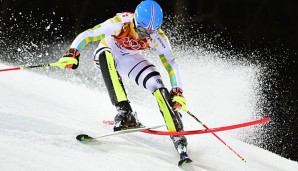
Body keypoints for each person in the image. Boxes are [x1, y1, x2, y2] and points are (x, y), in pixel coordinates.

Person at [61, 0, 192, 163]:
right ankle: (125, 112)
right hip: (109, 52)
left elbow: (171, 64)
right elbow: (89, 34)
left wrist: (177, 92)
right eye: (143, 30)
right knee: (105, 55)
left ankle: (178, 137)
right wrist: (72, 53)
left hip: (131, 59)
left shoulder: (158, 37)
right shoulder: (121, 23)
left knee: (158, 86)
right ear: (135, 21)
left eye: (151, 32)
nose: (146, 35)